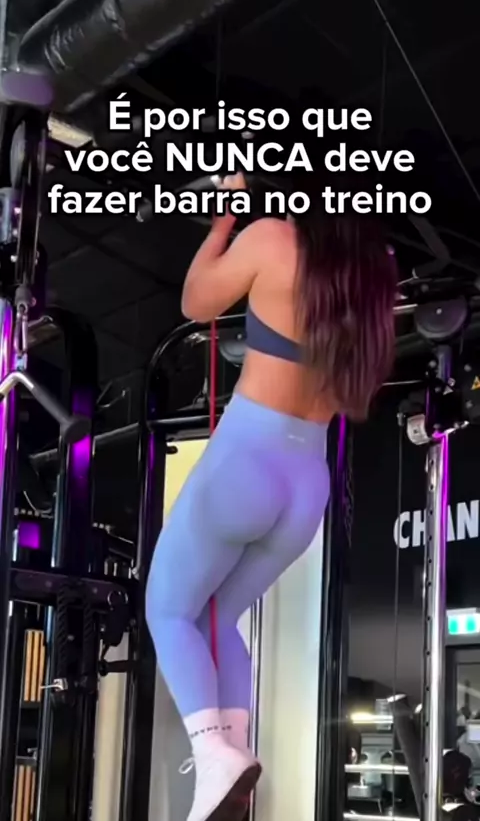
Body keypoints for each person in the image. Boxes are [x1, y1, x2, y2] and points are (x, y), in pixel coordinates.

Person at [146, 173, 398, 821]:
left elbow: (196, 302)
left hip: (248, 458)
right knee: (217, 616)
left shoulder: (273, 239)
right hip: (306, 481)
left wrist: (223, 222)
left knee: (168, 611)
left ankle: (213, 752)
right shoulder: (374, 277)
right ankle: (231, 757)